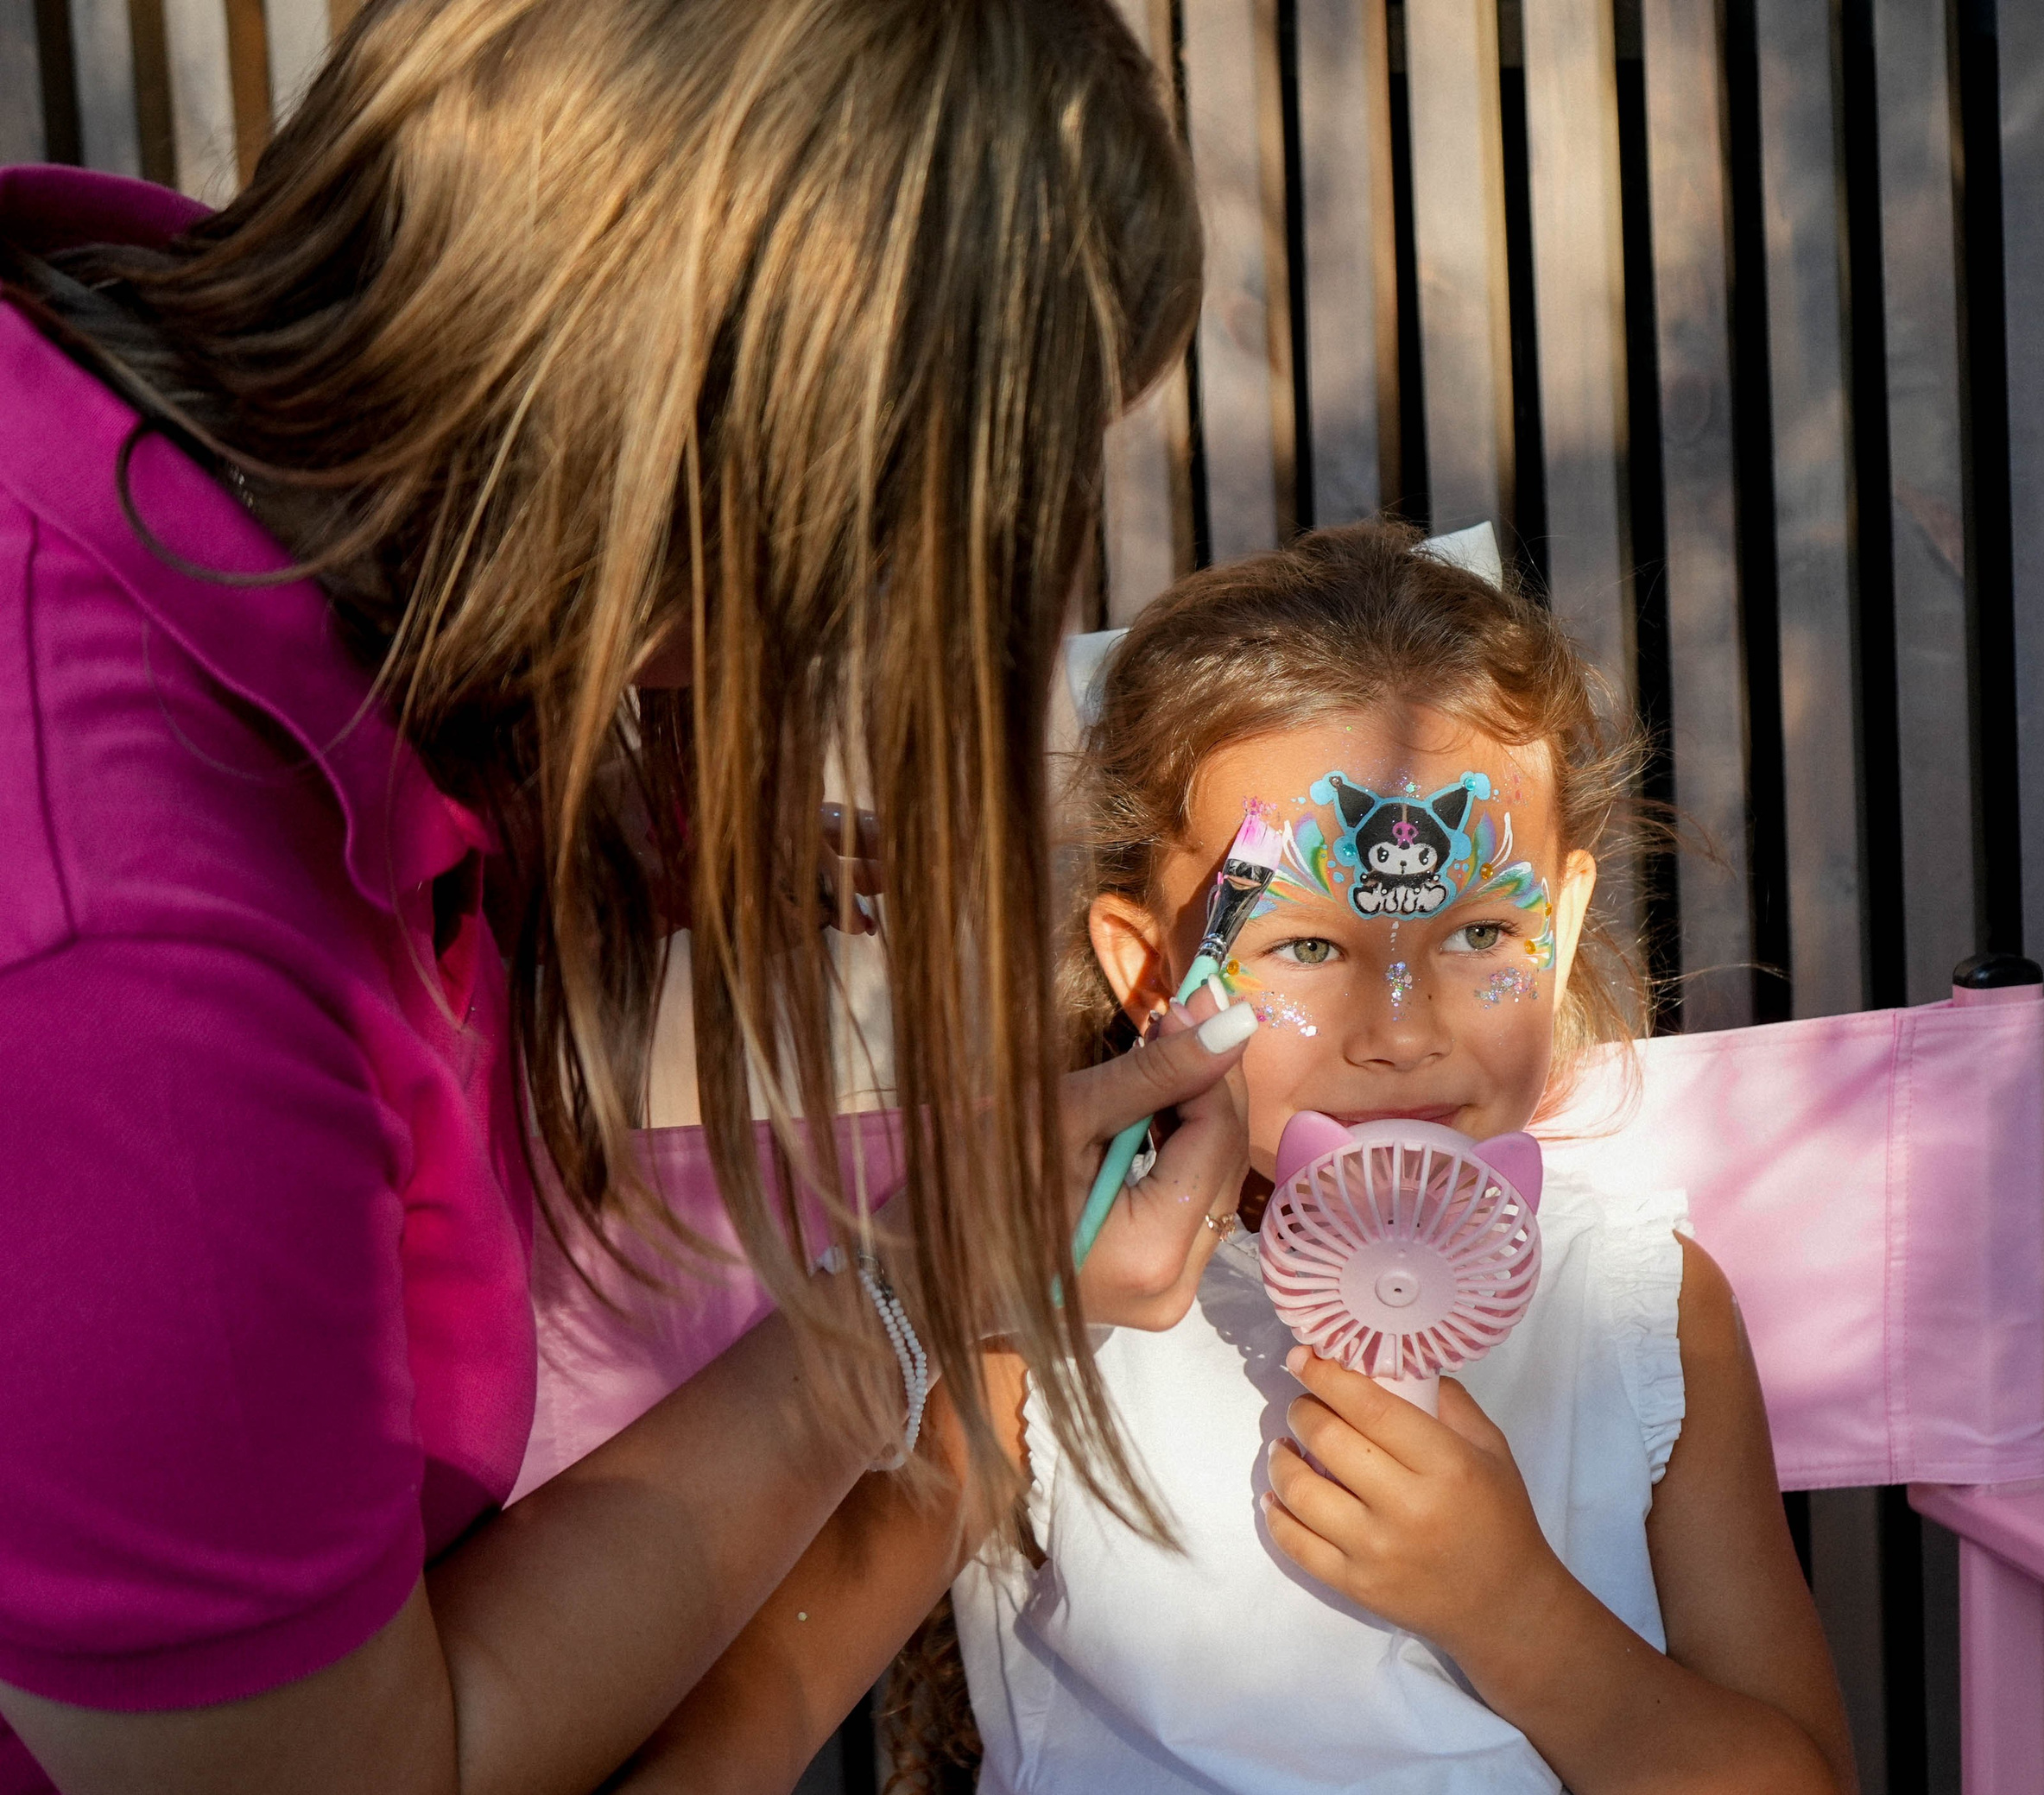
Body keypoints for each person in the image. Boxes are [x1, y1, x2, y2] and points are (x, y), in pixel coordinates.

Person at [0, 3, 1260, 1791]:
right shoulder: (118, 980)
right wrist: (909, 1295)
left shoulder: (179, 383)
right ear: (722, 503)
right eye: (877, 571)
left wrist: (566, 817)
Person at [739, 521, 1855, 1792]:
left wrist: (1519, 1616)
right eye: (1310, 949)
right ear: (1152, 969)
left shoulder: (1645, 1307)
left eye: (1484, 929)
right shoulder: (1043, 1305)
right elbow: (766, 1701)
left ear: (1566, 926)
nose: (1402, 1031)